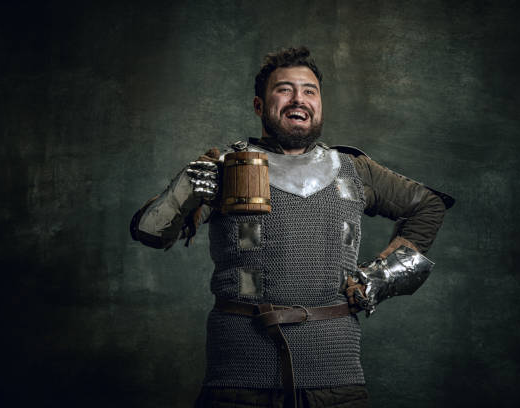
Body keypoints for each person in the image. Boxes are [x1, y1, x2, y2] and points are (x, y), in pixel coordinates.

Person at [130, 47, 453, 408]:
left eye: (309, 90)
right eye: (284, 89)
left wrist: (380, 277)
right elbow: (149, 233)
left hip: (336, 377)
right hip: (240, 378)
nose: (298, 99)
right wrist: (187, 187)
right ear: (259, 105)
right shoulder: (227, 168)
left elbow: (428, 205)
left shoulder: (354, 170)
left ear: (319, 104)